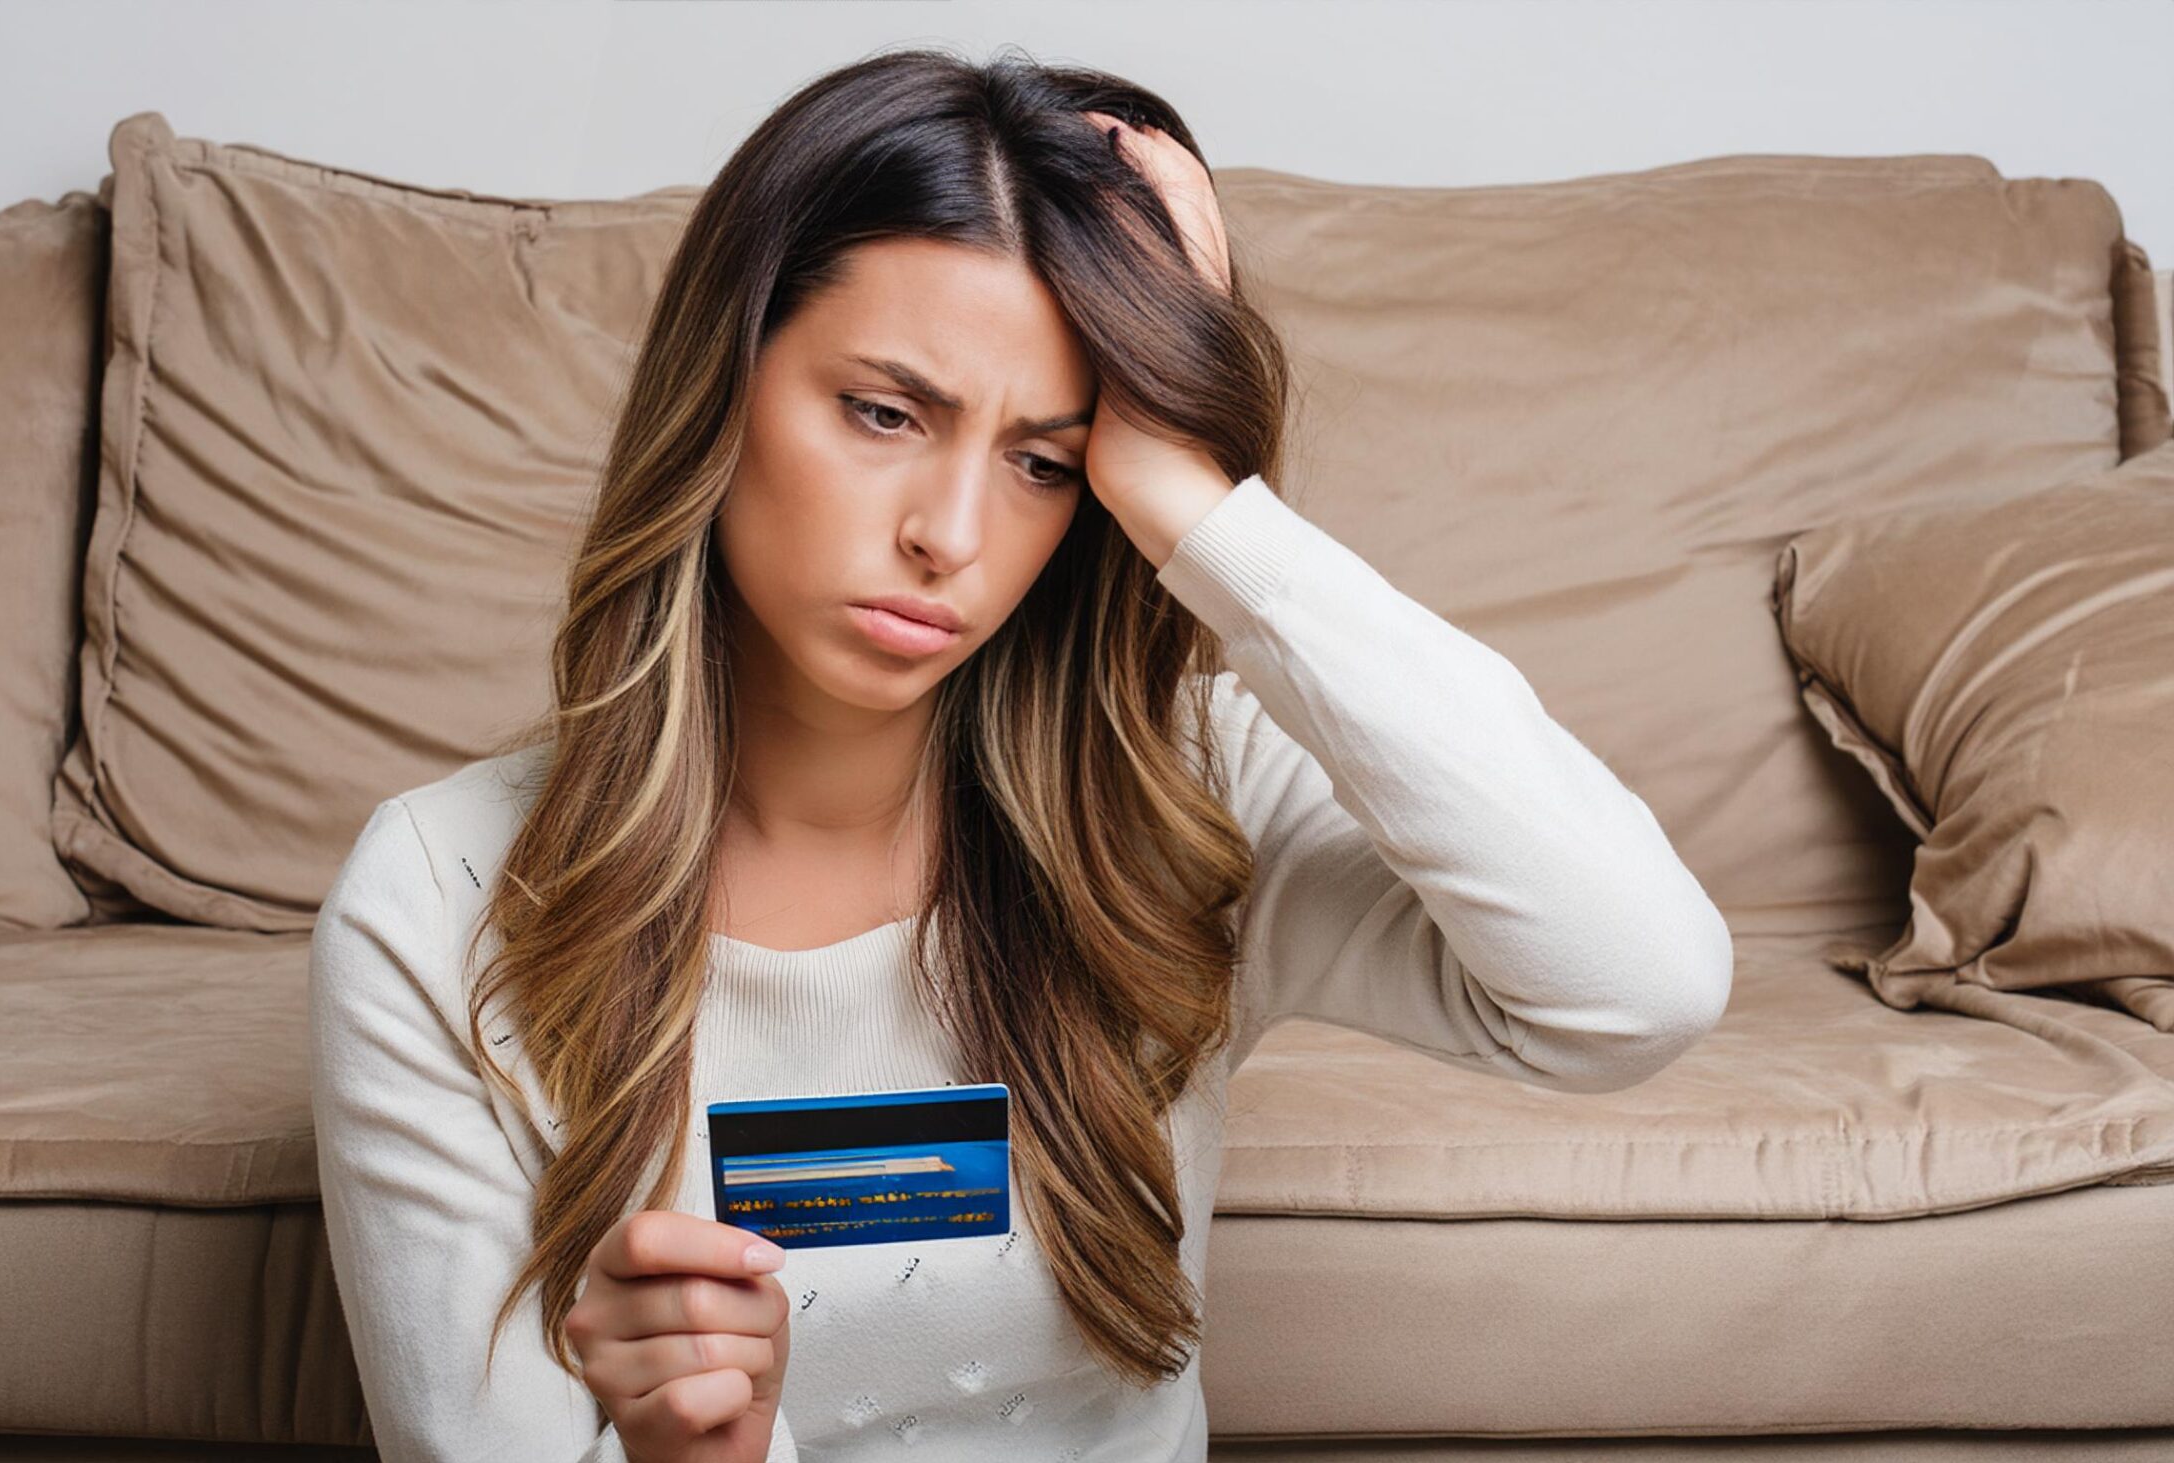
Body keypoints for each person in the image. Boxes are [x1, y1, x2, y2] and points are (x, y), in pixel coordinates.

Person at [307, 43, 1732, 1463]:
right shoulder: (440, 898)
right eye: (884, 412)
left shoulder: (1180, 804)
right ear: (722, 385)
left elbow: (1641, 985)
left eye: (1044, 461)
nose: (953, 536)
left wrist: (1199, 505)